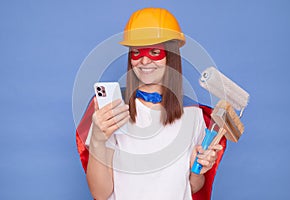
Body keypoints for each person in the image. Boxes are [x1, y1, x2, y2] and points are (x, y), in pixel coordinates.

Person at [82, 7, 224, 200]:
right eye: (136, 53)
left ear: (171, 56)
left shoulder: (193, 114)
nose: (145, 60)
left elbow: (192, 186)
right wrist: (98, 139)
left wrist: (197, 170)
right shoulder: (112, 113)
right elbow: (100, 193)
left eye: (155, 51)